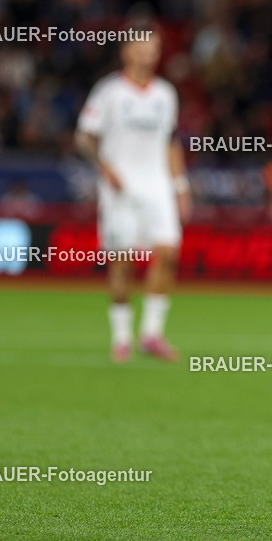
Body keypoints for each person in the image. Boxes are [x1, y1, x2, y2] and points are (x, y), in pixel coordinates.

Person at [75, 30, 191, 363]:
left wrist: (180, 185)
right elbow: (85, 137)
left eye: (153, 50)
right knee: (122, 263)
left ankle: (151, 334)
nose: (148, 55)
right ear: (127, 52)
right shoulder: (109, 92)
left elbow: (170, 141)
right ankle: (121, 337)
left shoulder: (165, 94)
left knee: (168, 253)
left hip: (158, 186)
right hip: (120, 187)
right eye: (142, 49)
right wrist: (104, 166)